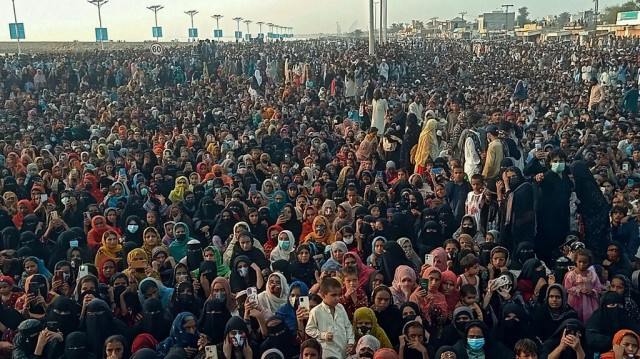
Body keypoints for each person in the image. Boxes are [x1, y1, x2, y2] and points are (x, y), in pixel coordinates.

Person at [306, 277, 355, 359]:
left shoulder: (340, 308)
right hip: (327, 351)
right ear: (323, 294)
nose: (337, 298)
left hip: (344, 350)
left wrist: (350, 342)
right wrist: (323, 335)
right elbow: (309, 329)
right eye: (333, 295)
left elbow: (348, 326)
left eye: (339, 295)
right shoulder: (316, 311)